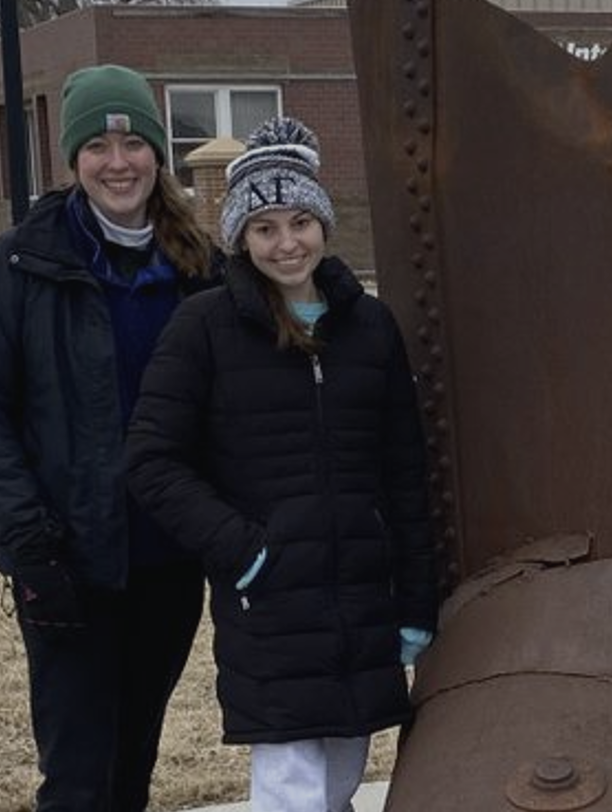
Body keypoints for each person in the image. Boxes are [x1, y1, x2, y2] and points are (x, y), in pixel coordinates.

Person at [124, 116, 438, 812]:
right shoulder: (204, 328)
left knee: (339, 778)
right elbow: (150, 460)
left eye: (300, 221)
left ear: (324, 225)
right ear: (240, 236)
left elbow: (404, 473)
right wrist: (244, 550)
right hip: (269, 604)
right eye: (264, 227)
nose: (286, 242)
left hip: (361, 600)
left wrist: (415, 600)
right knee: (291, 790)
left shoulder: (369, 326)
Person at [0, 64, 219, 811]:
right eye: (96, 145)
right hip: (68, 562)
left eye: (132, 144)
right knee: (77, 777)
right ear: (73, 160)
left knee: (133, 760)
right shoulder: (21, 264)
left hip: (167, 558)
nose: (117, 162)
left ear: (157, 155)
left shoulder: (202, 270)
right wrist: (29, 537)